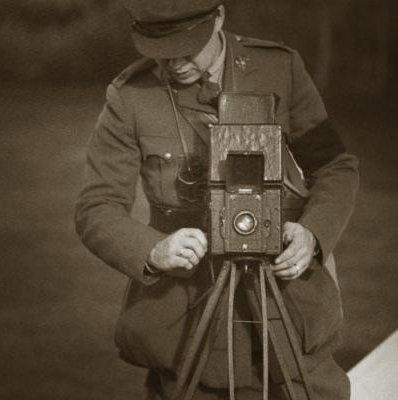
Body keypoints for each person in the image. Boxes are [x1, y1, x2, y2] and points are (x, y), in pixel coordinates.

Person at [74, 1, 359, 399]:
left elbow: (335, 167)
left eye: (187, 45)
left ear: (219, 17)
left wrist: (312, 235)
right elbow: (96, 207)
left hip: (289, 317)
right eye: (160, 49)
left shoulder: (280, 69)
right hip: (188, 329)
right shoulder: (130, 96)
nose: (173, 62)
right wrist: (154, 250)